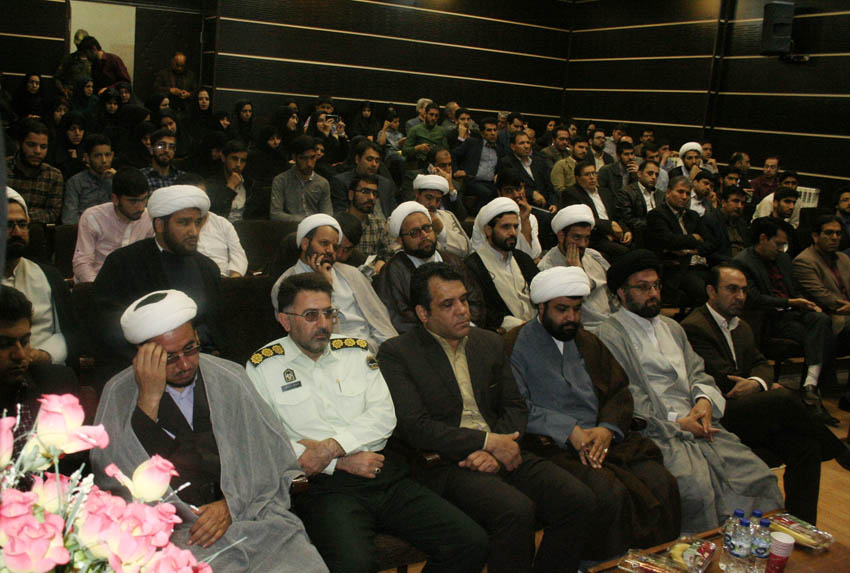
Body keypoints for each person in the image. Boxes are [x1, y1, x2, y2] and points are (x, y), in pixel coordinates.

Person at [247, 273, 488, 572]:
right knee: (355, 565)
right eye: (311, 315)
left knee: (470, 542)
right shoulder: (263, 366)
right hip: (322, 489)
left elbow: (383, 416)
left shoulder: (356, 350)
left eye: (329, 313)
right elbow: (268, 439)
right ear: (285, 320)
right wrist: (340, 462)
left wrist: (331, 447)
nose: (323, 324)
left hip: (380, 473)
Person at [378, 263, 594, 573]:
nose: (462, 310)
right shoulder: (398, 353)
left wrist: (498, 445)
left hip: (504, 448)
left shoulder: (488, 343)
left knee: (577, 499)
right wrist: (485, 443)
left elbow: (515, 405)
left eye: (464, 300)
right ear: (423, 313)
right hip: (446, 463)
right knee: (515, 511)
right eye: (448, 304)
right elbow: (415, 426)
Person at [91, 290, 327, 571]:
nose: (185, 364)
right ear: (143, 356)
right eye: (169, 357)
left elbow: (271, 460)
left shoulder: (229, 377)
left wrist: (230, 505)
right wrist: (148, 404)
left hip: (251, 518)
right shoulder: (119, 393)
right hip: (176, 536)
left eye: (190, 349)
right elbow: (114, 482)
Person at [596, 250, 784, 533]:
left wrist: (704, 400)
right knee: (696, 490)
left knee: (757, 475)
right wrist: (678, 422)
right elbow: (627, 394)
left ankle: (747, 544)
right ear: (621, 293)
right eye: (643, 287)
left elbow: (697, 371)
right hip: (658, 430)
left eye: (656, 286)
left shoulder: (672, 327)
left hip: (701, 421)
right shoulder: (609, 333)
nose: (653, 294)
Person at [509, 267, 681, 555]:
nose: (571, 318)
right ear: (541, 307)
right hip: (552, 446)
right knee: (609, 494)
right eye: (562, 310)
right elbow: (516, 405)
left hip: (603, 441)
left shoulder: (587, 341)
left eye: (576, 309)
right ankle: (601, 564)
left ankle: (656, 561)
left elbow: (618, 391)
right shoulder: (515, 345)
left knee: (662, 483)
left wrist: (607, 429)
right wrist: (569, 430)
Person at [682, 262, 850, 524]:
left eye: (743, 290)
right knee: (782, 398)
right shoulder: (694, 327)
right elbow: (722, 379)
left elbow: (761, 363)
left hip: (750, 408)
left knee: (806, 447)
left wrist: (758, 382)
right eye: (732, 289)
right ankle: (840, 451)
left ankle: (801, 526)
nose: (740, 296)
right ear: (711, 291)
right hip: (718, 412)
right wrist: (762, 385)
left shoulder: (742, 326)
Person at [93, 185, 230, 368]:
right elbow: (107, 327)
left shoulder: (207, 267)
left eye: (197, 223)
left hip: (203, 362)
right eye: (184, 223)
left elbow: (219, 325)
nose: (193, 231)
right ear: (159, 225)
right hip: (146, 365)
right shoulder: (123, 263)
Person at [733, 218, 837, 424]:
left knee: (821, 319)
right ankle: (811, 392)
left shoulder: (783, 259)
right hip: (768, 319)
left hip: (793, 314)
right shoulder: (743, 262)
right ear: (763, 238)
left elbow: (795, 288)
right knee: (823, 336)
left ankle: (809, 387)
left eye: (784, 245)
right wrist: (790, 302)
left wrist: (806, 303)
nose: (781, 249)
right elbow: (754, 299)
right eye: (778, 244)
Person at [270, 214, 397, 352]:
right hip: (327, 355)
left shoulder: (351, 273)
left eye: (334, 246)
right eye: (324, 243)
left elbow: (380, 320)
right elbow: (309, 339)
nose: (330, 251)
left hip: (371, 349)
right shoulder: (284, 285)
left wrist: (390, 351)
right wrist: (325, 285)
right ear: (305, 244)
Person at [376, 201, 484, 333]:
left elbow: (475, 302)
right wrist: (443, 333)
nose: (424, 235)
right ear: (400, 240)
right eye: (414, 232)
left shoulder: (453, 260)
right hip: (424, 341)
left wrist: (466, 327)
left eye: (427, 228)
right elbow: (399, 319)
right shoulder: (393, 270)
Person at [3, 189, 75, 366]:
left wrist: (44, 355)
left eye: (22, 224)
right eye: (7, 225)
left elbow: (66, 334)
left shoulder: (48, 276)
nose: (17, 232)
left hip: (44, 368)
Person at [466, 198, 538, 331]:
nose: (513, 233)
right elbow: (481, 311)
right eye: (506, 227)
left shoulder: (523, 259)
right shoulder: (473, 266)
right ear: (488, 230)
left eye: (515, 227)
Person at [73, 167, 153, 283]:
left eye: (144, 199)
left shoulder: (149, 217)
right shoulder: (93, 217)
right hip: (97, 281)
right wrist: (98, 288)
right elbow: (82, 262)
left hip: (133, 284)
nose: (141, 207)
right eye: (133, 201)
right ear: (115, 199)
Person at [538, 205, 611, 331]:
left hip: (612, 321)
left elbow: (613, 290)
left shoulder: (593, 256)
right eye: (576, 237)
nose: (583, 244)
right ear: (561, 236)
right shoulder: (547, 268)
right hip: (585, 329)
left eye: (586, 238)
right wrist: (577, 273)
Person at [645, 175, 713, 305]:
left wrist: (690, 251)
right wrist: (694, 238)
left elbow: (711, 243)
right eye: (680, 192)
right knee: (704, 292)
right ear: (668, 192)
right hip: (677, 268)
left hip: (700, 265)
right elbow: (669, 241)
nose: (684, 197)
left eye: (687, 193)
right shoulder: (657, 214)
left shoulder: (692, 216)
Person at [562, 162, 632, 262]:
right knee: (624, 252)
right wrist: (609, 225)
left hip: (614, 233)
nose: (592, 177)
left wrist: (626, 230)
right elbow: (581, 218)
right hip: (594, 236)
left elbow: (617, 215)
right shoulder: (571, 193)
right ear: (578, 178)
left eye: (594, 173)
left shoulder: (605, 192)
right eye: (587, 174)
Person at [470, 168, 542, 259]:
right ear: (499, 193)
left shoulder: (530, 218)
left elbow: (532, 255)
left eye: (519, 189)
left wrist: (525, 221)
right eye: (509, 191)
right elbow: (477, 252)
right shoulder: (487, 214)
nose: (516, 195)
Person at [6, 118, 64, 224]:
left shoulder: (54, 175)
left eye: (43, 147)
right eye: (31, 145)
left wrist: (20, 216)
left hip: (36, 230)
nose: (37, 151)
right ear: (18, 144)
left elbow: (52, 213)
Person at [271, 135, 332, 223]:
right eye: (304, 158)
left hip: (315, 228)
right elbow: (275, 214)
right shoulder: (281, 181)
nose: (309, 164)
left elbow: (327, 215)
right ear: (294, 158)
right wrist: (306, 221)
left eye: (312, 157)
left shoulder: (323, 183)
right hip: (289, 228)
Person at [330, 139, 397, 217]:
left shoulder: (385, 183)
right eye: (369, 159)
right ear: (357, 159)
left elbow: (393, 214)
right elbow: (341, 215)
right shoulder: (341, 182)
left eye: (377, 161)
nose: (374, 164)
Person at [205, 139, 266, 221]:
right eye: (234, 159)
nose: (238, 164)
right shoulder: (212, 184)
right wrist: (230, 187)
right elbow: (215, 216)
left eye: (243, 160)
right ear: (223, 158)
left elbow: (257, 216)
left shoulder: (251, 184)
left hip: (245, 227)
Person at [344, 174, 396, 270]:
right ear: (351, 195)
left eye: (375, 194)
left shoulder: (379, 224)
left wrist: (382, 261)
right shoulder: (337, 223)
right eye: (365, 192)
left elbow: (389, 254)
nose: (371, 197)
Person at [413, 172, 470, 258]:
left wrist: (441, 231)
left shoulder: (447, 216)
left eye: (438, 200)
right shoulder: (402, 218)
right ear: (417, 194)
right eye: (429, 197)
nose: (433, 204)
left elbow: (465, 250)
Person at [62, 133, 115, 224]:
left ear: (112, 155)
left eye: (107, 155)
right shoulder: (75, 182)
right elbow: (69, 219)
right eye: (97, 156)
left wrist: (119, 182)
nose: (104, 160)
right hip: (84, 229)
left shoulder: (117, 180)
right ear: (87, 158)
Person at [452, 116, 503, 208]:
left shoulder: (499, 148)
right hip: (473, 180)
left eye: (495, 130)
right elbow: (454, 155)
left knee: (501, 193)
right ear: (482, 133)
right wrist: (456, 171)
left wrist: (499, 174)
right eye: (489, 130)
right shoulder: (472, 143)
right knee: (487, 193)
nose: (493, 133)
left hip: (491, 183)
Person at [614, 159, 663, 247]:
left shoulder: (660, 194)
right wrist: (653, 224)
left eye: (656, 174)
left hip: (660, 233)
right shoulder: (627, 192)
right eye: (650, 173)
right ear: (639, 174)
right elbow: (627, 219)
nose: (654, 177)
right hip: (640, 235)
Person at [702, 186, 749, 265]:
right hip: (722, 265)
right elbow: (709, 253)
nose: (739, 206)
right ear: (723, 202)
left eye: (742, 203)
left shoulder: (742, 223)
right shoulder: (709, 221)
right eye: (735, 201)